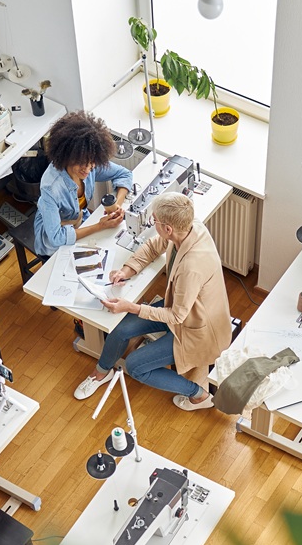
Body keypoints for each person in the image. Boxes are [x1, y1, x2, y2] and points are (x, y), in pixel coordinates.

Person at [73, 191, 231, 409]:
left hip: (195, 328)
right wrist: (127, 270)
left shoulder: (191, 267)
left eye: (153, 220)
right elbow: (154, 245)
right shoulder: (188, 228)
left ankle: (199, 395)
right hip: (180, 312)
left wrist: (132, 307)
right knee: (120, 329)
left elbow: (177, 316)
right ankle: (101, 373)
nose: (152, 224)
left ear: (168, 228)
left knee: (135, 366)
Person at [34, 111, 134, 255]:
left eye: (91, 163)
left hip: (81, 220)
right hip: (55, 234)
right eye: (81, 163)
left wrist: (117, 205)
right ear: (67, 156)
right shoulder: (51, 188)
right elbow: (56, 238)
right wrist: (100, 226)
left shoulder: (89, 161)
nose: (87, 170)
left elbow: (124, 174)